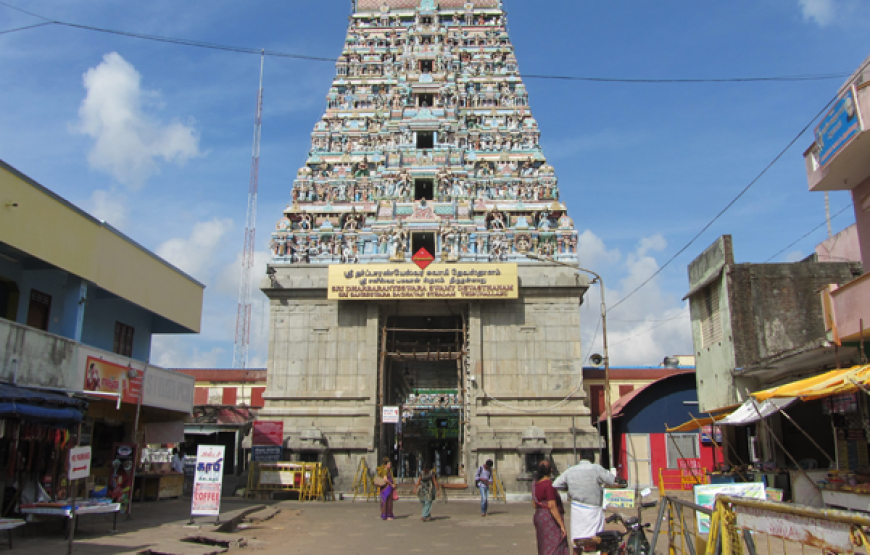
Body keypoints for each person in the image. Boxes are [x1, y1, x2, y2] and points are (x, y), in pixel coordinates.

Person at [552, 457, 617, 545]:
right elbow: (612, 480)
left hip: (577, 510)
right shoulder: (596, 468)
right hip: (594, 511)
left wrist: (570, 488)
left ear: (580, 458)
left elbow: (556, 484)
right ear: (592, 459)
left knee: (577, 541)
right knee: (596, 540)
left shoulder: (571, 470)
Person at [532, 460, 569, 555]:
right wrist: (562, 525)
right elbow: (552, 506)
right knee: (555, 544)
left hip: (539, 517)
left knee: (543, 545)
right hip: (549, 518)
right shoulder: (548, 484)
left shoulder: (535, 484)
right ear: (550, 470)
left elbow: (534, 504)